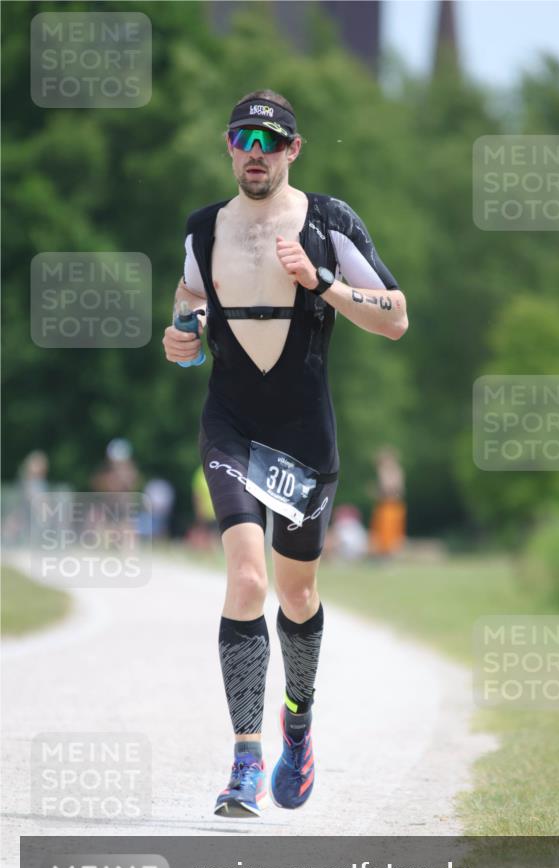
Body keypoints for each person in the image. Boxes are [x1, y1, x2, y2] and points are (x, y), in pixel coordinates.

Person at [162, 89, 408, 818]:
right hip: (231, 422)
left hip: (303, 434)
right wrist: (180, 338)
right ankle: (244, 761)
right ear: (229, 147)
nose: (257, 152)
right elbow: (188, 299)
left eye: (271, 141)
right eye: (244, 139)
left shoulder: (330, 223)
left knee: (296, 594)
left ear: (293, 150)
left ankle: (296, 727)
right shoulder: (203, 229)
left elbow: (396, 318)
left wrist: (322, 282)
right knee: (245, 578)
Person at [369, 446, 406, 558]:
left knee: (390, 532)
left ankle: (388, 554)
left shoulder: (392, 471)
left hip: (391, 505)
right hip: (384, 505)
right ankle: (381, 554)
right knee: (380, 532)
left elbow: (393, 489)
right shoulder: (389, 471)